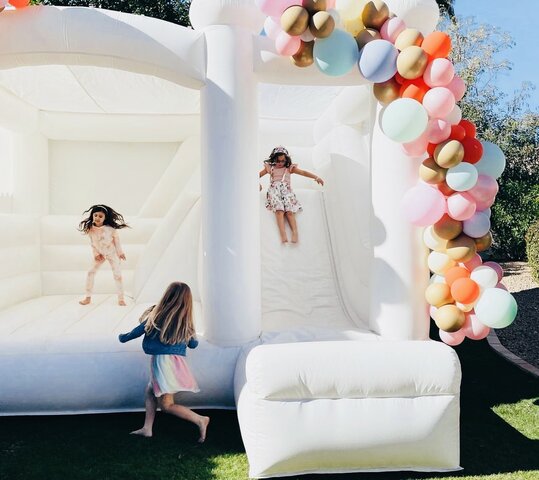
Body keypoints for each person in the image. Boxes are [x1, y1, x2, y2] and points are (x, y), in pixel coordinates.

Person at [118, 281, 209, 442]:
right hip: (173, 364)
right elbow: (193, 344)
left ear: (166, 296)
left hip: (164, 365)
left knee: (166, 405)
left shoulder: (156, 316)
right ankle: (147, 428)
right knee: (149, 392)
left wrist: (122, 337)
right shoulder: (185, 323)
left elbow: (135, 333)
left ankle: (200, 420)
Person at [259, 146, 324, 244]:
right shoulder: (270, 168)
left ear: (286, 160)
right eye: (278, 161)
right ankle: (283, 234)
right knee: (279, 211)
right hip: (274, 191)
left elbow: (303, 172)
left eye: (282, 161)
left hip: (286, 191)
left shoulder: (289, 168)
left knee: (289, 212)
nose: (280, 163)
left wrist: (316, 177)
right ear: (273, 160)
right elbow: (256, 175)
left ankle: (295, 232)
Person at [78, 204, 129, 306]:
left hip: (112, 253)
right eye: (95, 215)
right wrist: (96, 254)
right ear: (92, 215)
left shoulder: (111, 229)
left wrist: (120, 253)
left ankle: (121, 299)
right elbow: (92, 243)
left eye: (100, 216)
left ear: (105, 218)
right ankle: (88, 298)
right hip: (100, 254)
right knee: (90, 272)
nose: (97, 218)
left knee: (117, 275)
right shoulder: (90, 229)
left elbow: (117, 242)